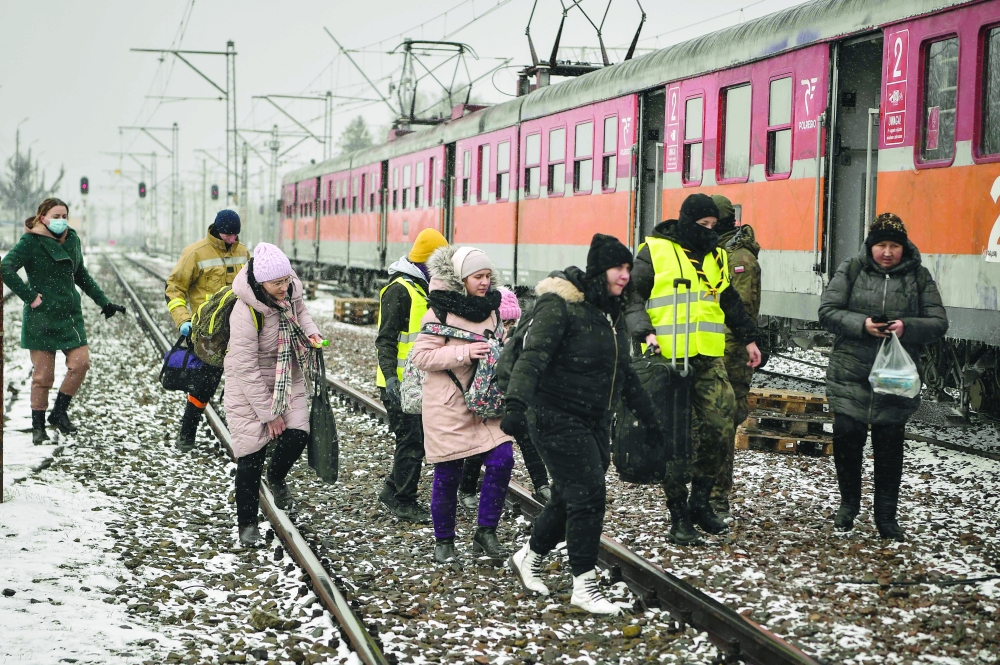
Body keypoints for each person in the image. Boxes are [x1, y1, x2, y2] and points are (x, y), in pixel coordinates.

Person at [503, 234, 666, 615]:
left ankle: (529, 556)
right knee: (589, 495)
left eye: (628, 268)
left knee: (568, 494)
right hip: (553, 415)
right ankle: (584, 586)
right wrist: (515, 404)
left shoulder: (610, 312)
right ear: (598, 270)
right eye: (618, 268)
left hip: (593, 419)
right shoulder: (560, 306)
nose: (625, 275)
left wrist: (650, 419)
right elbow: (533, 358)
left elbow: (624, 371)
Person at [626, 193, 762, 543]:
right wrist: (645, 331)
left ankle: (701, 502)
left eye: (714, 226)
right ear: (687, 221)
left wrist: (749, 338)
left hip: (706, 358)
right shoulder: (654, 251)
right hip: (666, 362)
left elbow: (728, 300)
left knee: (721, 425)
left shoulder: (717, 255)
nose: (709, 232)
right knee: (676, 442)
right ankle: (679, 516)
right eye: (703, 226)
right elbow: (632, 298)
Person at [818, 213, 947, 541]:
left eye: (894, 246)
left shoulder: (918, 276)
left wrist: (907, 326)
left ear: (903, 248)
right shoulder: (852, 269)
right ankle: (848, 507)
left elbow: (938, 321)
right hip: (851, 372)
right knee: (848, 438)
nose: (887, 252)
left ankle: (886, 517)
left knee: (889, 446)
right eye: (881, 245)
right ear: (870, 246)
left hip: (895, 376)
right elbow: (828, 311)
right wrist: (862, 324)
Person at [409, 246, 514, 565]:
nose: (484, 282)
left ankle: (486, 532)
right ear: (461, 279)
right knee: (448, 473)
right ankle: (444, 542)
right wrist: (464, 354)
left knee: (503, 460)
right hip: (448, 405)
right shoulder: (438, 312)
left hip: (486, 402)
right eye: (477, 277)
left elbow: (500, 344)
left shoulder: (493, 310)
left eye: (487, 276)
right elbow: (420, 357)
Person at [1, 199, 125, 445]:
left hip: (69, 316)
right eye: (56, 215)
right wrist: (30, 297)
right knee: (43, 377)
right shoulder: (30, 241)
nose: (61, 220)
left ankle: (59, 411)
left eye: (65, 215)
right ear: (43, 217)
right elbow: (5, 267)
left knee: (81, 364)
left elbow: (82, 275)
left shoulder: (73, 239)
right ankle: (38, 426)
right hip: (41, 317)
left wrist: (104, 303)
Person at [223, 243, 323, 546]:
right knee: (250, 456)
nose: (284, 288)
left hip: (285, 373)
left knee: (298, 434)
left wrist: (311, 332)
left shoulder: (291, 291)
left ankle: (277, 477)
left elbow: (301, 313)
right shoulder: (245, 312)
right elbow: (246, 369)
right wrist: (269, 414)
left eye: (286, 280)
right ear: (261, 282)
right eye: (277, 283)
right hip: (247, 387)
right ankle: (247, 524)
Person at [375, 228, 449, 523]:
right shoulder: (399, 290)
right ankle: (403, 500)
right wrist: (391, 379)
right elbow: (386, 340)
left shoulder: (423, 287)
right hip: (399, 384)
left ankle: (392, 489)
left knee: (413, 439)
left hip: (418, 383)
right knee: (412, 440)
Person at [457, 287, 551, 510]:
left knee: (528, 440)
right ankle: (467, 488)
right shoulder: (482, 340)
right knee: (480, 446)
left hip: (511, 400)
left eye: (512, 323)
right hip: (487, 402)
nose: (508, 328)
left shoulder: (518, 341)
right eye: (505, 323)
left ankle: (542, 484)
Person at [165, 209, 249, 451]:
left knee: (246, 384)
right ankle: (187, 433)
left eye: (235, 235)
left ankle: (249, 437)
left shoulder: (243, 253)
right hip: (206, 333)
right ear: (217, 230)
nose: (232, 240)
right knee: (204, 385)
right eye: (227, 235)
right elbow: (174, 289)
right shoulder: (195, 253)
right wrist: (183, 320)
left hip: (239, 330)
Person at [708, 194, 762, 519]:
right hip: (713, 353)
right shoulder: (718, 254)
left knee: (724, 423)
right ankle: (706, 495)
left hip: (728, 357)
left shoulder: (737, 259)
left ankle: (717, 499)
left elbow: (739, 315)